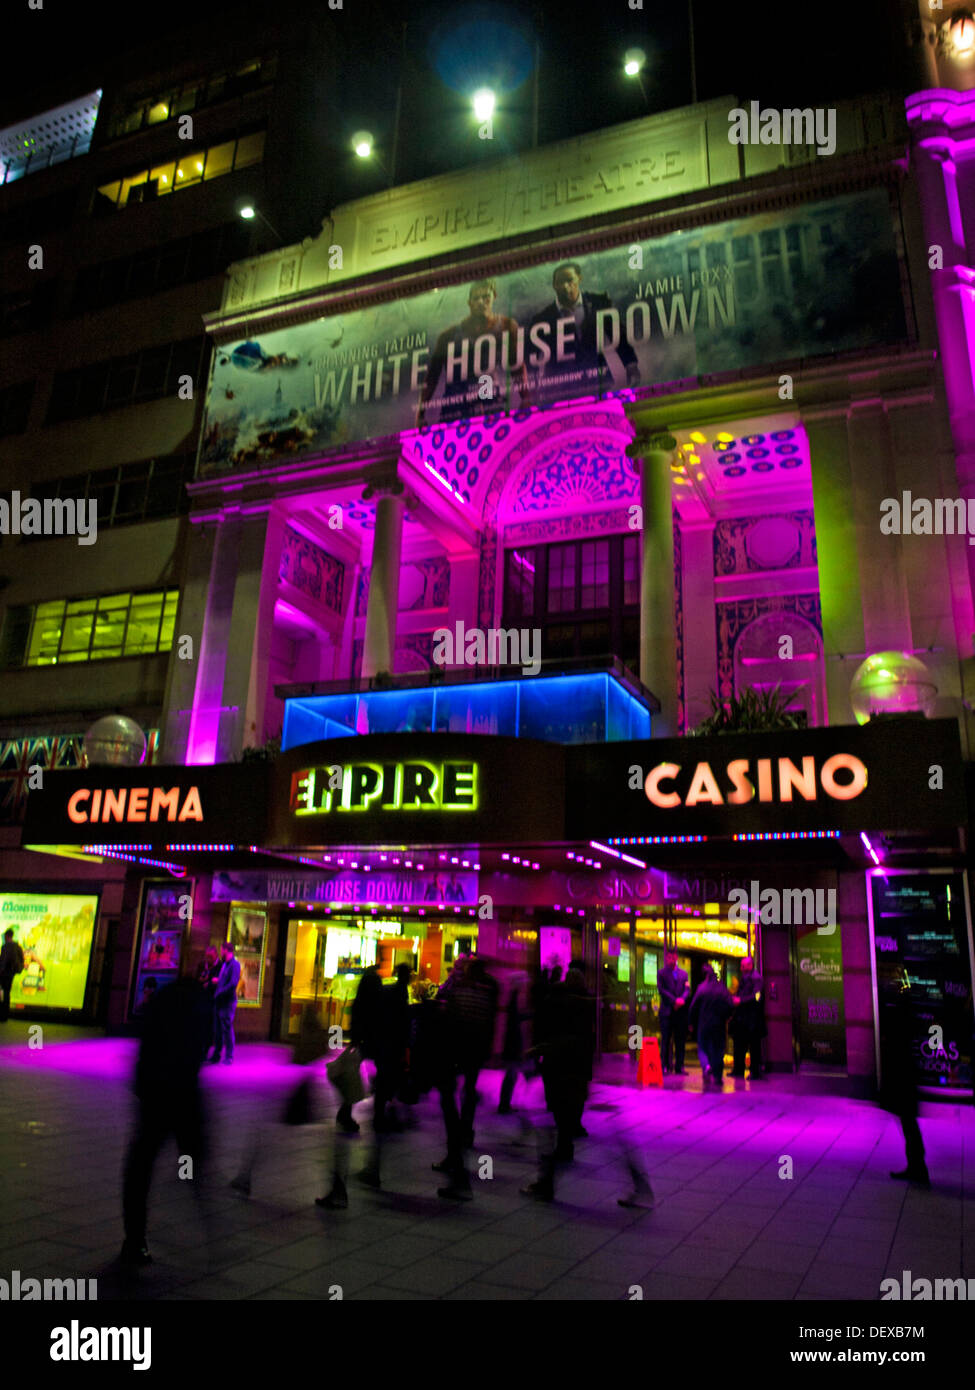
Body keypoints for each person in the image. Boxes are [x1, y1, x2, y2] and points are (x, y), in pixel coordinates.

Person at [120, 975, 212, 1265]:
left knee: (141, 1166)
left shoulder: (163, 1003)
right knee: (192, 1160)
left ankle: (135, 1240)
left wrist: (141, 1084)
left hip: (155, 1096)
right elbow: (201, 1049)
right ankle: (199, 1212)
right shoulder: (199, 1008)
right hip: (184, 1096)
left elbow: (144, 1046)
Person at [416, 279, 531, 426]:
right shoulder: (448, 336)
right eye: (476, 298)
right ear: (469, 302)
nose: (481, 302)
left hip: (489, 394)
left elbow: (516, 365)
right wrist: (420, 413)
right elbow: (432, 376)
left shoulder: (506, 326)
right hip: (456, 402)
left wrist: (526, 398)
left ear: (493, 296)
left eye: (485, 297)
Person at [433, 954, 499, 1200]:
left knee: (450, 1101)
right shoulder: (489, 989)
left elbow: (446, 1011)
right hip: (475, 1051)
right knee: (467, 1092)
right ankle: (465, 1133)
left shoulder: (460, 988)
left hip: (456, 1051)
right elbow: (490, 1021)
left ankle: (457, 1155)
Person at [528, 261, 640, 387]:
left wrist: (631, 365)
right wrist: (530, 390)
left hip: (598, 379)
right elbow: (531, 357)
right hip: (560, 386)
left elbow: (618, 336)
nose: (565, 286)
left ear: (579, 279)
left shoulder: (598, 302)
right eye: (560, 282)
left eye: (569, 280)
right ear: (554, 285)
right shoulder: (542, 318)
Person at [880, 976, 930, 1188]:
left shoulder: (899, 1030)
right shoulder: (908, 1025)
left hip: (904, 1085)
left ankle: (917, 1167)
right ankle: (917, 1165)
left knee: (908, 1124)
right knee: (909, 1124)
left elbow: (896, 1056)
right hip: (907, 1085)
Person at [688, 965, 734, 1086]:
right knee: (718, 1050)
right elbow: (730, 1004)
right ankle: (718, 1076)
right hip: (719, 1024)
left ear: (706, 976)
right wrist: (728, 1016)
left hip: (704, 1023)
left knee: (703, 1047)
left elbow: (693, 1006)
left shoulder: (702, 988)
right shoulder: (722, 987)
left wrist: (691, 1022)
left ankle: (707, 1065)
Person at [498, 972, 531, 1113]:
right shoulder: (515, 997)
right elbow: (516, 1019)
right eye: (523, 980)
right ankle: (504, 1105)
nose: (525, 983)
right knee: (511, 1073)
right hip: (513, 1040)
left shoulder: (513, 996)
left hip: (512, 1039)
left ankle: (505, 1104)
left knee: (512, 1073)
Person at [730, 956, 767, 1079]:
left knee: (752, 1046)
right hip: (746, 1019)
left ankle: (752, 1072)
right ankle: (739, 1070)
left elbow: (757, 996)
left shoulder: (756, 978)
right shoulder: (748, 977)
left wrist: (741, 1000)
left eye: (743, 965)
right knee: (743, 1045)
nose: (741, 968)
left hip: (752, 1019)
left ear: (750, 965)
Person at [657, 950, 690, 1075]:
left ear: (676, 958)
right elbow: (661, 990)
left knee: (680, 1040)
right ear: (666, 959)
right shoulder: (661, 973)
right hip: (667, 1012)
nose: (671, 960)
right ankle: (664, 1066)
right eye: (668, 958)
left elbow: (687, 989)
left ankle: (679, 1066)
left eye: (673, 958)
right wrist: (674, 1000)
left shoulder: (683, 974)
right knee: (665, 1040)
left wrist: (682, 999)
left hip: (680, 1012)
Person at [210, 941, 241, 1065]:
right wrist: (218, 981)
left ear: (226, 950)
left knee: (227, 1029)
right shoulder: (225, 965)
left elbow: (233, 983)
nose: (221, 952)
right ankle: (216, 1055)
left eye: (222, 949)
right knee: (218, 1029)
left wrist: (220, 991)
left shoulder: (235, 965)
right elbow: (225, 981)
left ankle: (229, 1056)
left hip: (227, 1002)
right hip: (220, 1001)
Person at [0, 927, 25, 1022]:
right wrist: (17, 970)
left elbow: (2, 961)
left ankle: (2, 1014)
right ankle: (5, 1015)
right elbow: (21, 959)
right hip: (11, 973)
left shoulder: (4, 947)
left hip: (3, 973)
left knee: (4, 993)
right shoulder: (17, 946)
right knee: (7, 993)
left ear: (6, 936)